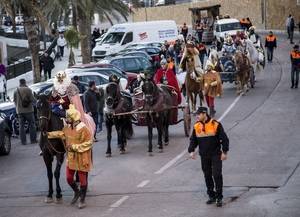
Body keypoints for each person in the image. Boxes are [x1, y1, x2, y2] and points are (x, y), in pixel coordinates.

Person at [48, 104, 93, 209]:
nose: (66, 119)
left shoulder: (84, 129)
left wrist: (74, 147)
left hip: (82, 158)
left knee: (83, 180)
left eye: (68, 117)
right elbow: (61, 134)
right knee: (68, 178)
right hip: (71, 158)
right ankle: (77, 192)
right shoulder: (67, 127)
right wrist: (48, 134)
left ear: (73, 118)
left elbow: (89, 143)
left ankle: (82, 199)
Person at [188, 106, 229, 207]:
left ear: (204, 114)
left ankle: (219, 197)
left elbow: (224, 139)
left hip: (216, 154)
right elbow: (193, 140)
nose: (197, 116)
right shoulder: (196, 126)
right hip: (204, 156)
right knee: (207, 175)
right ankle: (211, 196)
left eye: (198, 114)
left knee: (217, 175)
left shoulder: (216, 124)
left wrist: (224, 152)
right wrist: (191, 150)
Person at [13, 79, 37, 145]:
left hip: (19, 111)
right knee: (32, 125)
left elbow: (14, 101)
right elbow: (33, 100)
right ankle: (33, 140)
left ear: (19, 83)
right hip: (29, 111)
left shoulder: (16, 91)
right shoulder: (28, 90)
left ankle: (23, 142)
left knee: (21, 126)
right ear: (25, 82)